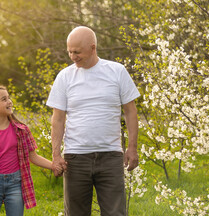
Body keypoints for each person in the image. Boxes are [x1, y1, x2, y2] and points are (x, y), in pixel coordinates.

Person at [47, 26, 140, 216]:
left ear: (92, 47)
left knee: (116, 213)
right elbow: (57, 119)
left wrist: (132, 147)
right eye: (70, 51)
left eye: (77, 52)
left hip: (111, 156)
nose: (73, 56)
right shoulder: (65, 77)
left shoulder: (117, 71)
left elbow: (131, 112)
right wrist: (56, 155)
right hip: (75, 157)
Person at [0, 85, 60, 216]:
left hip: (15, 184)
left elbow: (33, 156)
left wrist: (53, 166)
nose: (9, 101)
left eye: (8, 98)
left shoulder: (22, 130)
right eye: (3, 99)